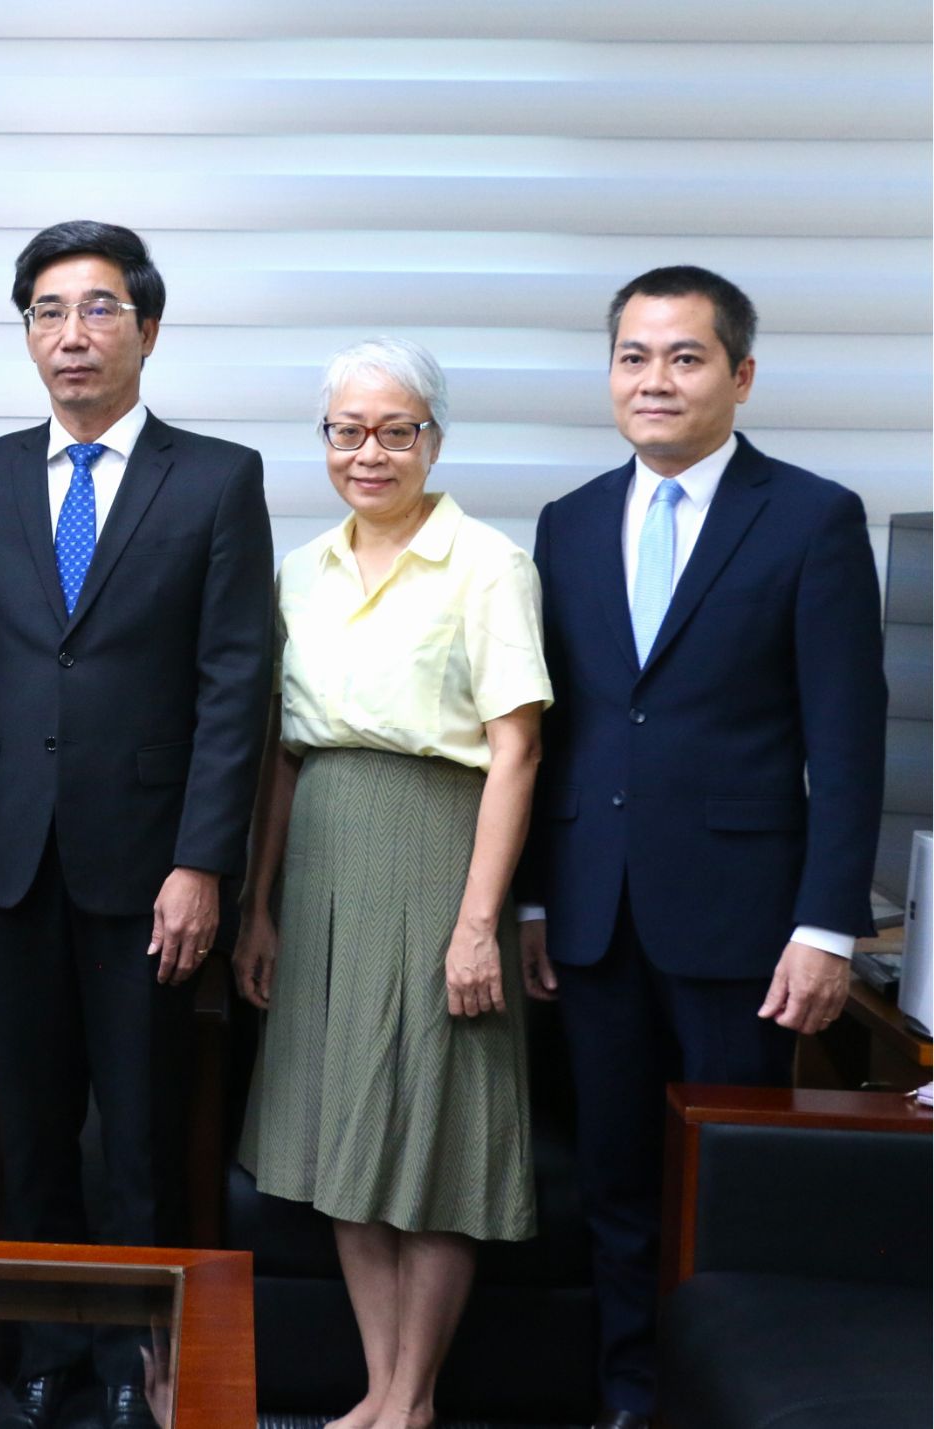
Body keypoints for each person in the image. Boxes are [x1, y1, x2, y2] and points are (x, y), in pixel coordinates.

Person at [0, 220, 271, 1428]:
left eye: (98, 308)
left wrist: (201, 862)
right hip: (4, 855)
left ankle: (133, 1366)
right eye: (47, 311)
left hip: (147, 868)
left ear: (147, 329)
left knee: (138, 1135)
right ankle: (39, 1356)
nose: (71, 334)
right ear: (26, 334)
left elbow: (234, 684)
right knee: (25, 1132)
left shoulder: (216, 478)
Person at [519, 266, 885, 1429]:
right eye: (632, 356)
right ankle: (627, 1401)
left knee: (724, 1188)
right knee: (614, 1184)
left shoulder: (810, 516)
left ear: (739, 374)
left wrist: (825, 924)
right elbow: (556, 730)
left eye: (683, 357)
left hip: (743, 923)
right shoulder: (568, 522)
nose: (654, 379)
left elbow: (846, 737)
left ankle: (709, 1404)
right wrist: (532, 903)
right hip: (591, 911)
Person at [233, 338, 551, 1429]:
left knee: (432, 1136)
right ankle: (377, 1387)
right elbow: (282, 754)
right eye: (345, 430)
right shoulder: (298, 570)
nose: (368, 452)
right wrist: (260, 904)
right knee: (340, 1140)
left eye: (394, 429)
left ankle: (409, 1400)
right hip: (321, 856)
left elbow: (515, 751)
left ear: (433, 438)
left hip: (434, 857)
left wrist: (478, 927)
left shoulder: (487, 566)